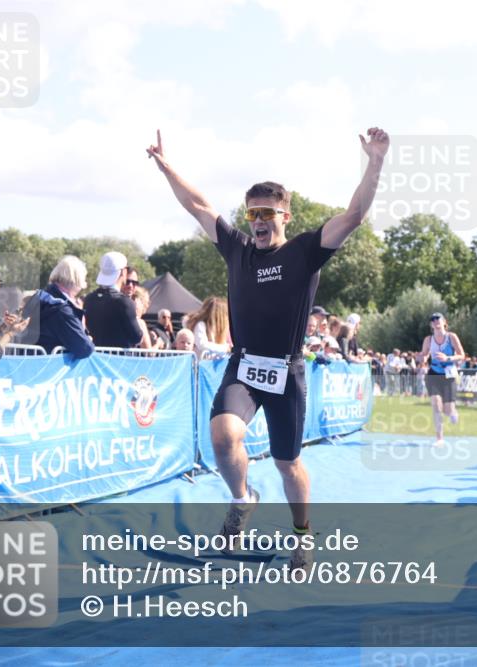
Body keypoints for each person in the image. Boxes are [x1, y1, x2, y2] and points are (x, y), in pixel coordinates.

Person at [148, 125, 389, 570]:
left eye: (268, 213)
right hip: (243, 367)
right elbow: (198, 206)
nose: (258, 221)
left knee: (287, 463)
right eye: (253, 212)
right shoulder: (237, 248)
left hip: (287, 373)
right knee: (223, 437)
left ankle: (302, 534)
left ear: (286, 217)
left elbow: (354, 214)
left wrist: (374, 161)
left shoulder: (305, 252)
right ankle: (243, 500)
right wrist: (167, 168)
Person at [20, 255, 95, 358]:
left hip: (25, 364)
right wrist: (88, 339)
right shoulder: (62, 310)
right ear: (77, 280)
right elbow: (84, 348)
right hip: (47, 368)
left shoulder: (38, 297)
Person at [418, 312, 466, 447]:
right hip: (433, 374)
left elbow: (462, 355)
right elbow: (425, 354)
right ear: (431, 325)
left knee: (447, 409)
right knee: (436, 405)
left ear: (444, 322)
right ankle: (439, 439)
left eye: (437, 319)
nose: (435, 321)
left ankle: (453, 412)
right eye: (432, 320)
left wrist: (448, 358)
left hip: (449, 375)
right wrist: (421, 357)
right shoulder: (428, 339)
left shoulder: (451, 337)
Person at [83, 252, 144, 349]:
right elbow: (137, 338)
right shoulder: (125, 302)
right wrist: (137, 318)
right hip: (119, 361)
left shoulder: (89, 299)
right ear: (123, 272)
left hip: (95, 360)